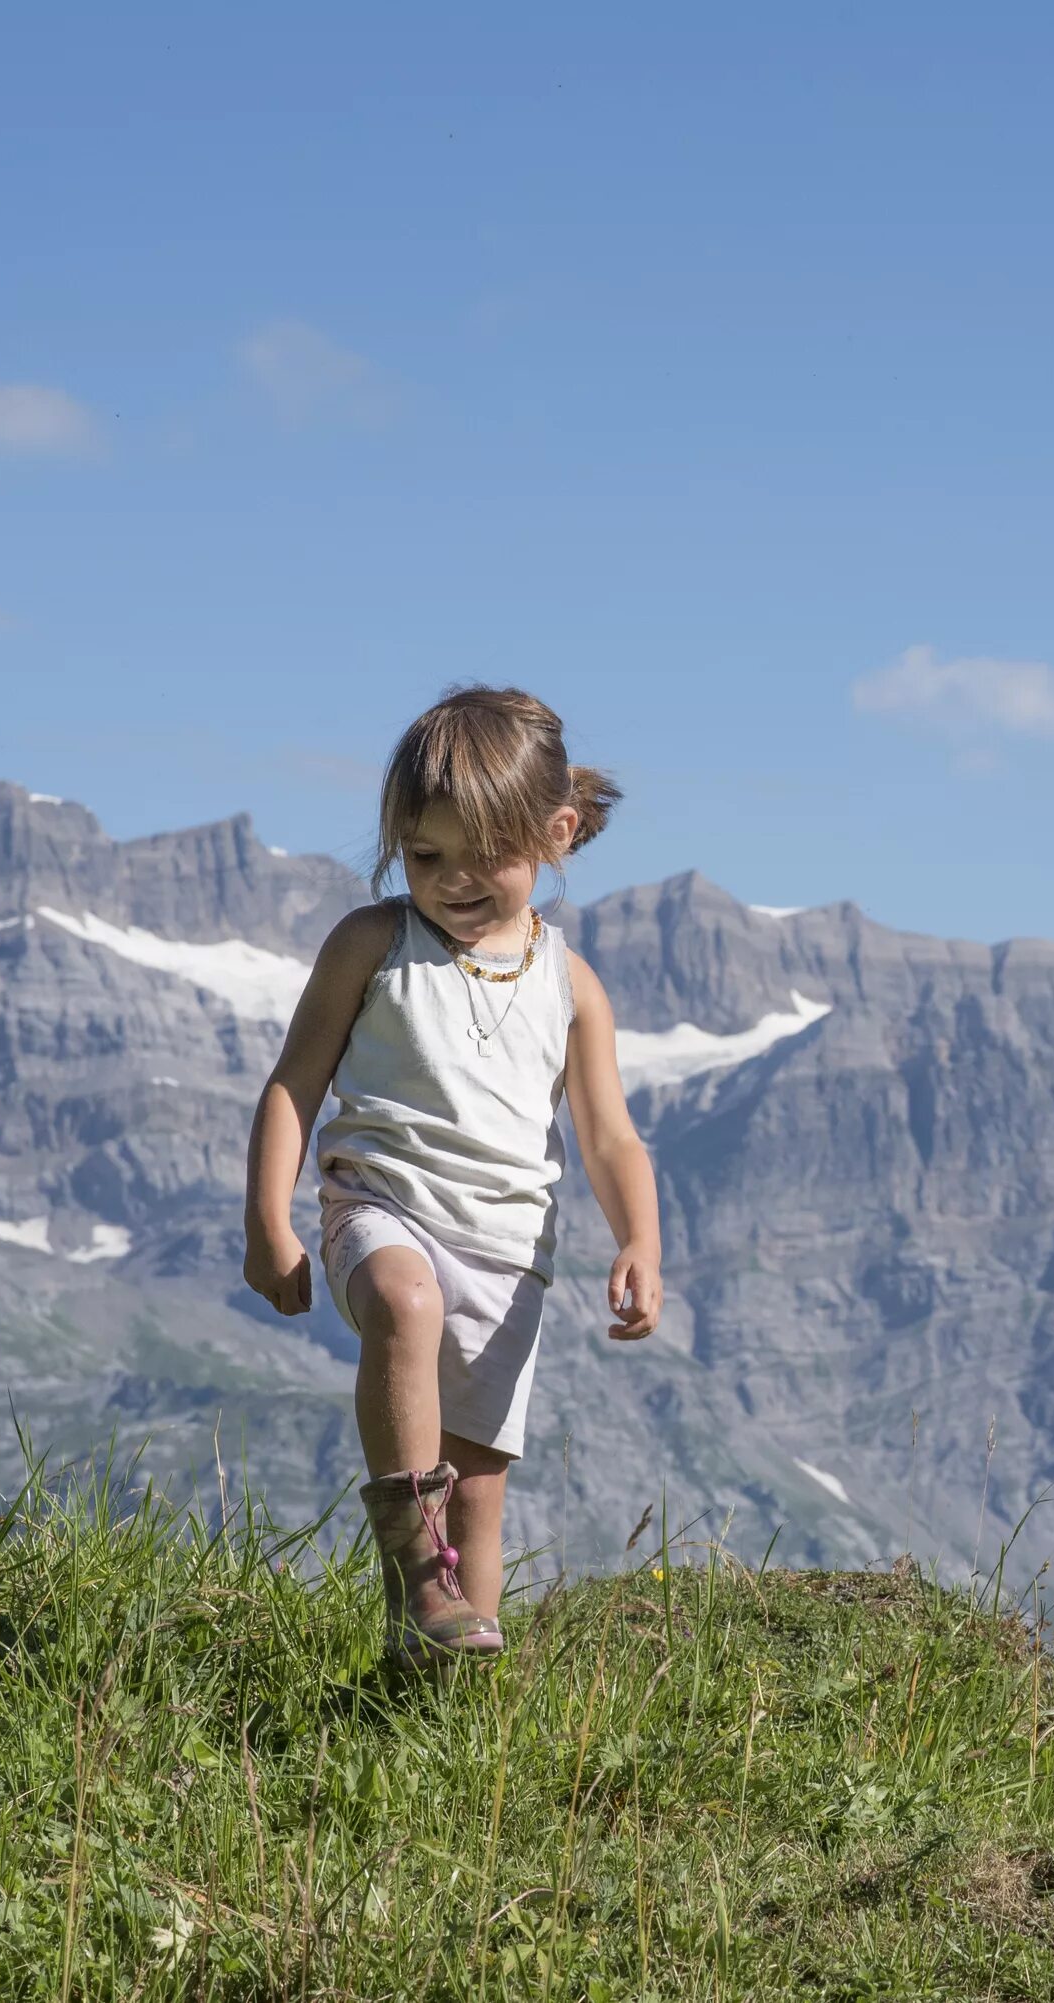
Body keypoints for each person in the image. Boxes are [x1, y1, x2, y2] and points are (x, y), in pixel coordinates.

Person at [241, 684, 662, 1660]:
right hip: (382, 1209)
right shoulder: (371, 944)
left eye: (488, 858)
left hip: (510, 1257)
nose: (454, 881)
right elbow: (293, 1083)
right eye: (427, 856)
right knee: (404, 1302)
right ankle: (412, 1567)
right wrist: (270, 1217)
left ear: (555, 833)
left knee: (477, 1493)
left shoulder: (571, 983)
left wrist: (641, 1237)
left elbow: (610, 1136)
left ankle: (443, 1693)